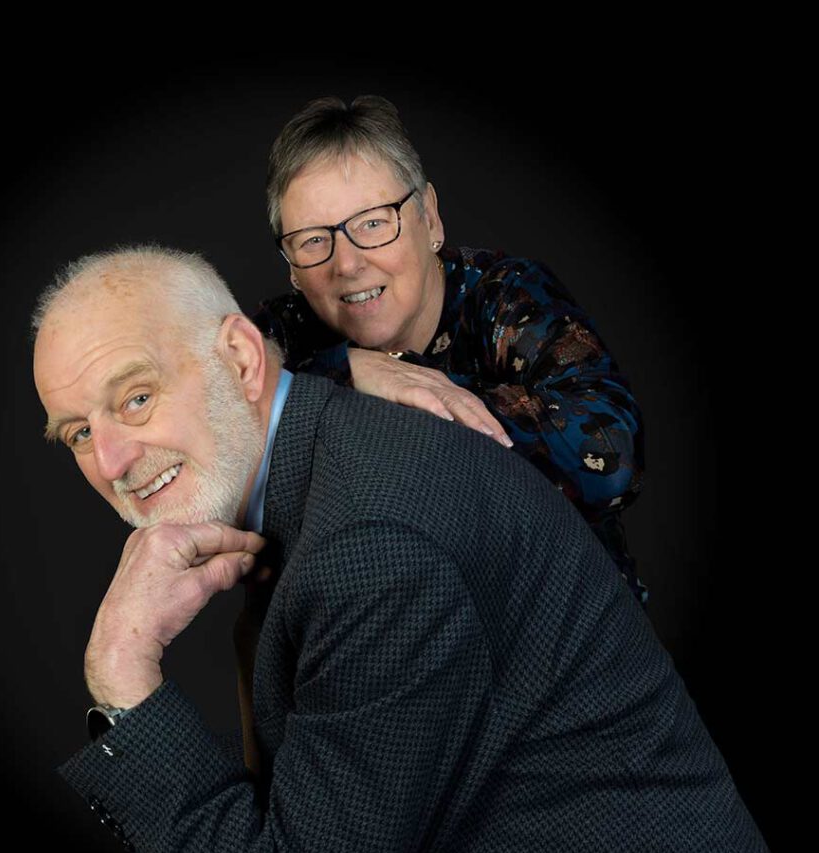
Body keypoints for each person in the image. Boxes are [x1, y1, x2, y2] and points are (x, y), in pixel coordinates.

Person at [32, 246, 816, 853]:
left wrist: (123, 675)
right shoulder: (313, 474)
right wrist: (183, 813)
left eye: (135, 399)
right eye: (76, 434)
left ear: (240, 356)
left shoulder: (372, 544)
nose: (112, 460)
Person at [253, 95, 647, 604]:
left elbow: (612, 457)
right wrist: (348, 369)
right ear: (290, 263)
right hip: (402, 645)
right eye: (312, 240)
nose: (346, 264)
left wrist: (401, 388)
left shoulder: (506, 297)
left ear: (430, 218)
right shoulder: (283, 333)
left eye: (373, 222)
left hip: (569, 636)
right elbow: (207, 400)